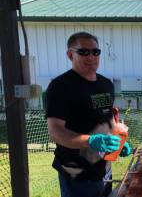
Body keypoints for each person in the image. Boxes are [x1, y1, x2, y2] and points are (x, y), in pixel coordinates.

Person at [45, 32, 132, 197]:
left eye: (95, 52)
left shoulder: (106, 84)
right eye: (84, 52)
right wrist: (90, 141)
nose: (91, 56)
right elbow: (55, 131)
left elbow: (108, 118)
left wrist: (120, 141)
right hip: (77, 174)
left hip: (103, 168)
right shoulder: (60, 87)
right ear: (70, 55)